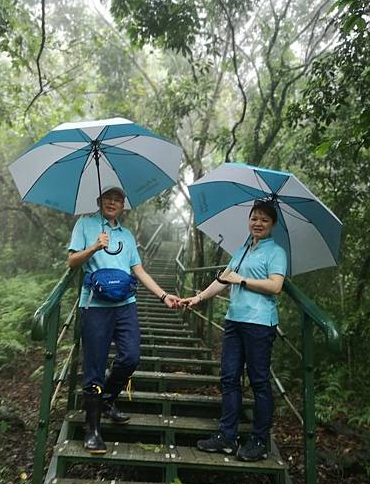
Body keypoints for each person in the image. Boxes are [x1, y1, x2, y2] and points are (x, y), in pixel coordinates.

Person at [68, 185, 180, 455]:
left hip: (125, 305)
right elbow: (72, 261)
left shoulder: (127, 235)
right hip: (94, 305)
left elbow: (138, 269)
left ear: (123, 205)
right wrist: (95, 246)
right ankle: (92, 429)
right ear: (99, 201)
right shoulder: (85, 224)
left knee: (131, 356)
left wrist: (163, 295)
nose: (113, 202)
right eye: (108, 198)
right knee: (94, 365)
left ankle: (107, 399)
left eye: (118, 199)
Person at [179, 199, 287, 462]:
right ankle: (227, 436)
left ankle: (259, 441)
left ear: (272, 224)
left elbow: (275, 286)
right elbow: (223, 279)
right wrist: (198, 298)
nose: (257, 223)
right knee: (229, 378)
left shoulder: (276, 252)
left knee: (259, 382)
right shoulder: (242, 249)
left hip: (260, 324)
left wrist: (244, 280)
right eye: (254, 218)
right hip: (234, 321)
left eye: (264, 219)